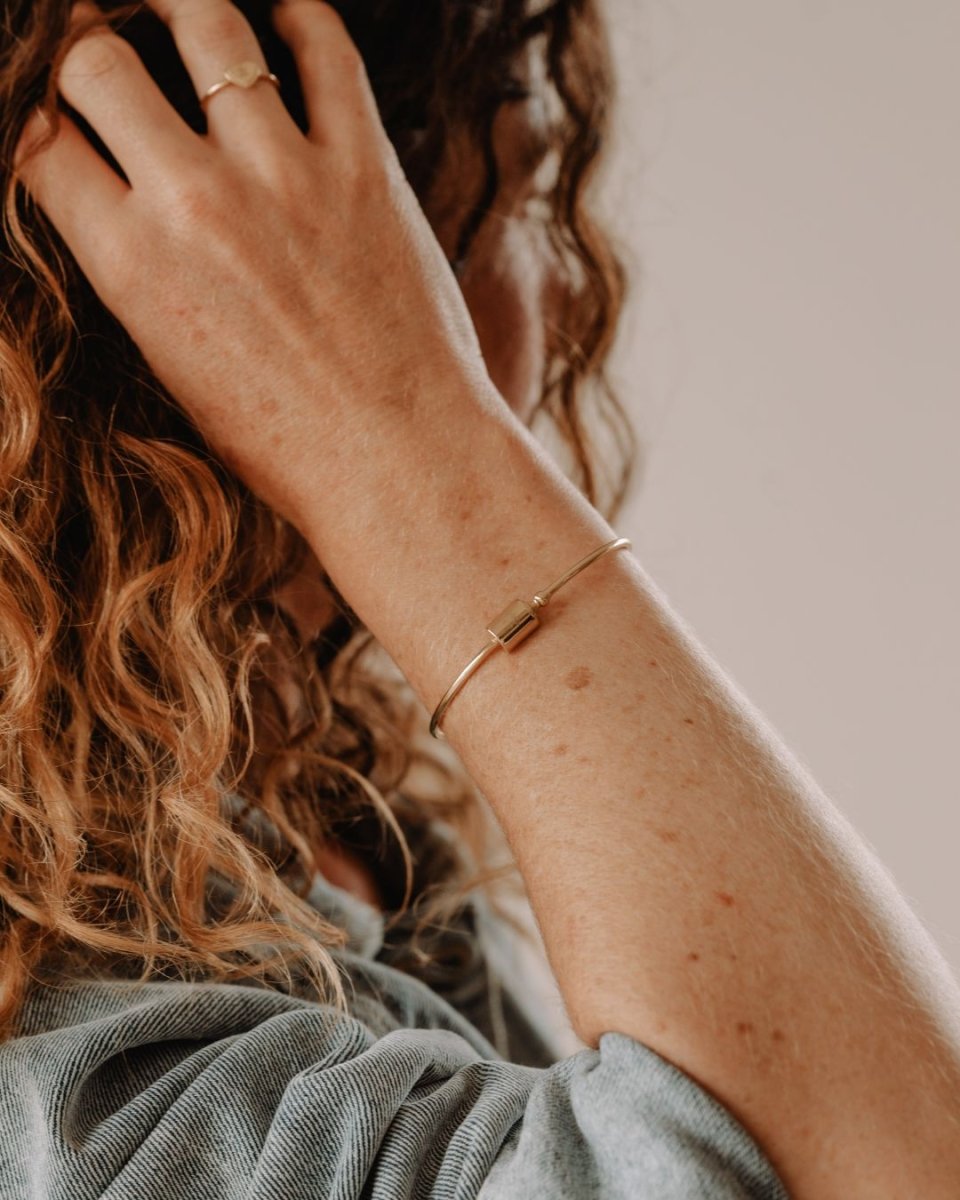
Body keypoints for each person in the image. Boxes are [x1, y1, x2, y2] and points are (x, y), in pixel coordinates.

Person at [1, 0, 958, 1196]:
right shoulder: (70, 1083)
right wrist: (397, 429)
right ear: (253, 260)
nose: (565, 292)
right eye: (518, 200)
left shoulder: (328, 825)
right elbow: (889, 1164)